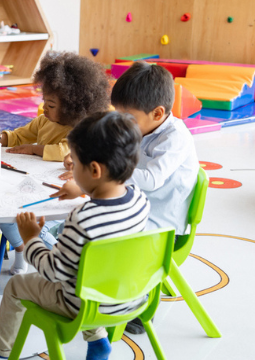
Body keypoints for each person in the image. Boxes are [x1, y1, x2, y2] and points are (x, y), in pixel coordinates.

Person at [0, 111, 150, 360]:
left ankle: (0, 347)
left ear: (95, 170)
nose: (71, 167)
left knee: (16, 286)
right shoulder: (139, 199)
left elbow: (53, 272)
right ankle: (98, 339)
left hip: (80, 304)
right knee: (95, 272)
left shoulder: (82, 219)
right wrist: (83, 189)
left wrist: (31, 239)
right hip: (128, 296)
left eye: (74, 164)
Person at [56, 61, 199, 334]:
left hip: (160, 222)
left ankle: (135, 300)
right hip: (134, 205)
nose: (123, 123)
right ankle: (88, 288)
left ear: (158, 113)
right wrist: (83, 159)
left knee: (96, 235)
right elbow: (113, 153)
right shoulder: (141, 127)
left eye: (128, 118)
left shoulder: (175, 137)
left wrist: (101, 175)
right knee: (79, 227)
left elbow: (152, 179)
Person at [0, 52, 111, 274]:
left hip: (57, 194)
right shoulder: (44, 120)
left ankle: (35, 248)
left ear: (73, 105)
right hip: (33, 185)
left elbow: (64, 150)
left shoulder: (82, 128)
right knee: (4, 211)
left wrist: (35, 148)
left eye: (51, 105)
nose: (44, 108)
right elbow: (19, 135)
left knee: (12, 218)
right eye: (44, 102)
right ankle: (23, 248)